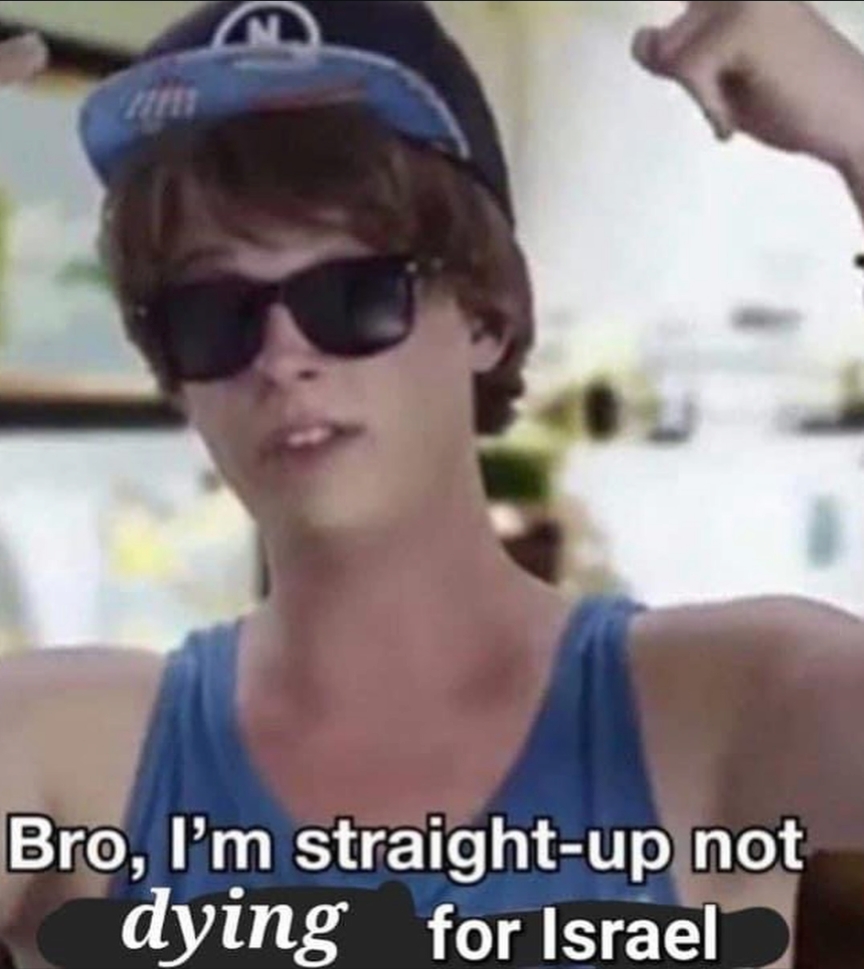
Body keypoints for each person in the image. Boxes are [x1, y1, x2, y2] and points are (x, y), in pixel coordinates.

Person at [1, 1, 864, 966]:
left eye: (354, 294)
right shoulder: (68, 755)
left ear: (485, 316)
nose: (283, 357)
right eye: (214, 314)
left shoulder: (726, 708)